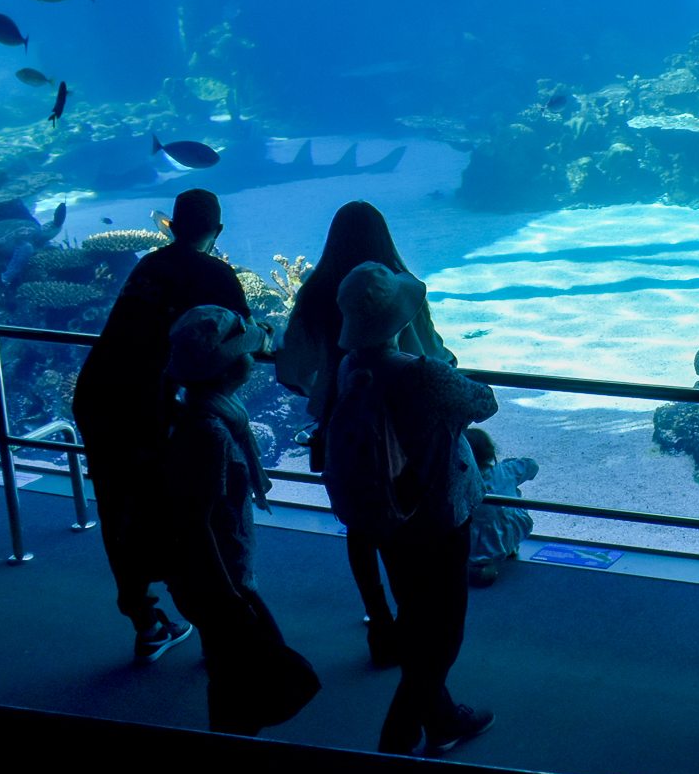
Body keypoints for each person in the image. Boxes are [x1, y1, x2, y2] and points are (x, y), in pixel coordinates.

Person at [325, 262, 498, 756]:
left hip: (384, 517)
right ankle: (394, 746)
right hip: (437, 518)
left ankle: (442, 718)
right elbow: (483, 404)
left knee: (416, 616)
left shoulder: (350, 367)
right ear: (399, 316)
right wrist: (434, 356)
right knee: (443, 637)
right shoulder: (421, 372)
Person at [73, 187, 248, 664]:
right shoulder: (216, 272)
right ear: (218, 231)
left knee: (116, 508)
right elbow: (242, 335)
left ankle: (146, 622)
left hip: (96, 395)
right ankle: (217, 624)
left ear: (170, 225)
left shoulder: (149, 264)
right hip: (146, 407)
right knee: (183, 517)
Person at [276, 199, 454, 665]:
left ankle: (379, 620)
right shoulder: (407, 289)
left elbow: (292, 365)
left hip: (343, 423)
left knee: (359, 519)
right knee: (408, 509)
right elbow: (433, 354)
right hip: (405, 423)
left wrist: (326, 390)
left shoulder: (316, 292)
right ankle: (414, 616)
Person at [162, 306, 319, 736]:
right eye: (247, 350)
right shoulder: (209, 432)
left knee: (235, 668)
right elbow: (194, 524)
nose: (256, 355)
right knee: (252, 670)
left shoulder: (205, 409)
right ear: (230, 367)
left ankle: (231, 747)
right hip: (222, 581)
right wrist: (227, 598)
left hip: (224, 575)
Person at [466, 428, 537, 587]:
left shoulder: (463, 481)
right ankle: (509, 548)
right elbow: (532, 465)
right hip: (513, 528)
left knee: (477, 556)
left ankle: (483, 565)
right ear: (491, 452)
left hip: (478, 537)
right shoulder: (506, 470)